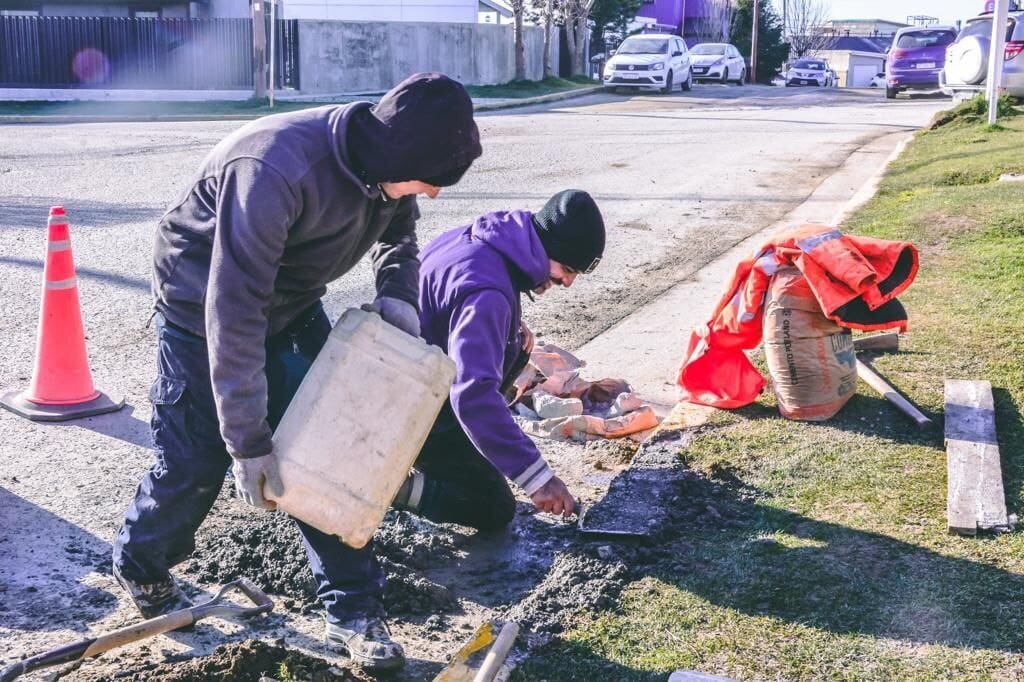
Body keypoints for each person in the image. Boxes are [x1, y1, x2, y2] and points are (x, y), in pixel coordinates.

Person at [111, 72, 482, 672]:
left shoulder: (389, 165)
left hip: (292, 297)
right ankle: (142, 562)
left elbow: (401, 238)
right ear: (399, 157)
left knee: (332, 447)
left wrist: (399, 297)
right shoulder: (275, 170)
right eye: (429, 181)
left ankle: (354, 610)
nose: (433, 194)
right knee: (196, 459)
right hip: (200, 305)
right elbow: (232, 311)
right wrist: (249, 443)